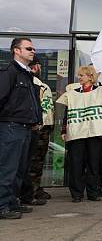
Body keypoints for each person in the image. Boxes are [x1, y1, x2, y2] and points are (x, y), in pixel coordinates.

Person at [56, 66, 102, 202]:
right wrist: (64, 130)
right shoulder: (72, 93)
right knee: (76, 164)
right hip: (77, 133)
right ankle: (77, 194)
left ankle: (93, 192)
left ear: (90, 77)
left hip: (96, 133)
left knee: (94, 164)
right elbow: (67, 112)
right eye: (79, 75)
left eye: (82, 75)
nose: (79, 78)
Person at [0, 38, 42, 219]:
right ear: (16, 51)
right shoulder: (9, 72)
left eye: (33, 48)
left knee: (19, 168)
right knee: (7, 168)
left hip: (25, 127)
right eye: (29, 48)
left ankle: (12, 202)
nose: (33, 51)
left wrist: (36, 120)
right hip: (11, 126)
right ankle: (2, 205)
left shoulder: (27, 74)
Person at [23, 56, 53, 202]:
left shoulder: (40, 84)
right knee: (33, 162)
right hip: (35, 127)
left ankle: (35, 188)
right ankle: (30, 192)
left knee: (38, 162)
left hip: (44, 128)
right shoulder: (30, 82)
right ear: (35, 67)